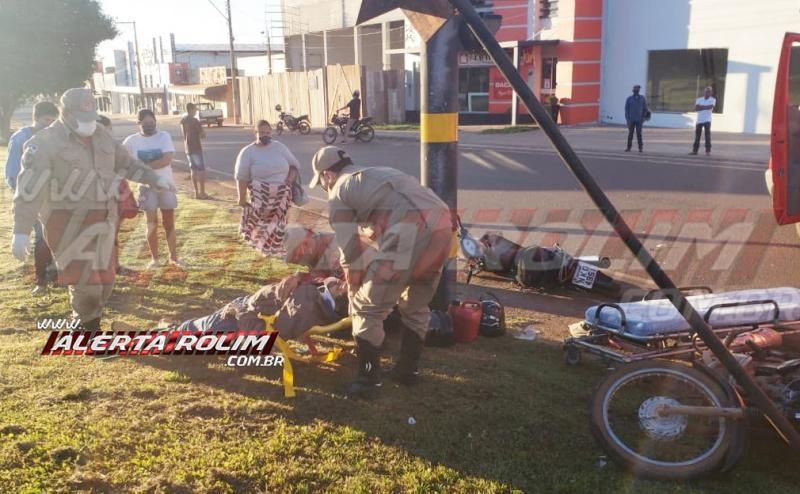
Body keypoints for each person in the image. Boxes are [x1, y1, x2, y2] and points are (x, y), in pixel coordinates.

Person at [11, 88, 173, 330]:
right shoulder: (44, 143)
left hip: (104, 221)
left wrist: (154, 179)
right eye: (82, 117)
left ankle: (83, 320)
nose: (88, 123)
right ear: (65, 113)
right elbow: (29, 190)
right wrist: (21, 231)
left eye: (91, 117)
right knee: (88, 285)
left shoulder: (102, 136)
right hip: (66, 225)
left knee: (105, 282)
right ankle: (90, 332)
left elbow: (126, 163)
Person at [308, 146, 454, 399]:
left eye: (321, 181)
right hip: (443, 224)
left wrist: (355, 290)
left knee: (367, 308)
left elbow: (351, 253)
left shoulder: (339, 191)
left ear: (327, 175)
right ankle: (407, 371)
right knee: (416, 303)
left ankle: (367, 381)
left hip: (409, 228)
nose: (324, 187)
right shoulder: (375, 174)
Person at [5, 101, 60, 296]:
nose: (50, 124)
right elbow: (12, 173)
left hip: (56, 198)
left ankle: (57, 275)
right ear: (35, 119)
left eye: (54, 121)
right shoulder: (21, 138)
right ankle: (41, 281)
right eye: (46, 120)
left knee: (57, 237)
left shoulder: (55, 137)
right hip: (33, 199)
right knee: (42, 238)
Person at [123, 109, 184, 269]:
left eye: (152, 122)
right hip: (146, 187)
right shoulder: (131, 141)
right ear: (139, 124)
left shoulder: (164, 136)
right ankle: (155, 258)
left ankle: (174, 257)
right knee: (151, 223)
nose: (149, 126)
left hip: (165, 184)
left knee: (169, 222)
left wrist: (143, 169)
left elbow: (166, 159)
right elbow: (123, 161)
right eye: (146, 123)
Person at [235, 120, 300, 257]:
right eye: (262, 132)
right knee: (263, 222)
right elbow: (242, 177)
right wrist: (241, 198)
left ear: (271, 133)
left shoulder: (279, 147)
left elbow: (294, 166)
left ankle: (276, 246)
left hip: (281, 193)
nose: (265, 135)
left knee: (278, 221)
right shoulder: (248, 152)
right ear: (256, 133)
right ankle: (263, 246)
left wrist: (289, 181)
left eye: (268, 132)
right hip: (260, 194)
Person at [97, 115, 137, 275]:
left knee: (113, 232)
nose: (107, 133)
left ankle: (115, 266)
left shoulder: (115, 147)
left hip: (117, 190)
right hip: (95, 195)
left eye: (109, 129)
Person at [180, 103, 208, 199]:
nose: (196, 111)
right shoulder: (195, 121)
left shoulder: (183, 121)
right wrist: (204, 132)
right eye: (195, 109)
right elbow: (202, 135)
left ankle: (196, 192)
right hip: (196, 147)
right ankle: (202, 192)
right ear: (191, 109)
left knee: (193, 170)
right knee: (201, 170)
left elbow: (184, 135)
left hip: (188, 148)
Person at [690, 86, 716, 156]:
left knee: (707, 136)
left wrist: (701, 107)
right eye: (706, 91)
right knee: (697, 136)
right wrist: (705, 107)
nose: (707, 93)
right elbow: (696, 109)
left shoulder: (712, 100)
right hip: (699, 121)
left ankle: (708, 151)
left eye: (709, 91)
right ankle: (695, 151)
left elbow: (711, 107)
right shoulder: (699, 99)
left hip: (707, 120)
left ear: (711, 93)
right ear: (704, 92)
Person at [624, 85, 649, 153]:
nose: (636, 90)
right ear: (633, 90)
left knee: (639, 134)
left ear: (639, 90)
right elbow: (626, 110)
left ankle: (640, 148)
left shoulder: (642, 98)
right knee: (630, 134)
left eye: (637, 89)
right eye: (635, 89)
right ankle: (628, 147)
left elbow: (645, 109)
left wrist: (644, 118)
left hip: (639, 120)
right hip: (631, 120)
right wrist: (627, 120)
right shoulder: (629, 99)